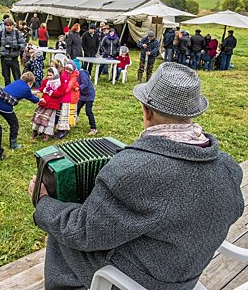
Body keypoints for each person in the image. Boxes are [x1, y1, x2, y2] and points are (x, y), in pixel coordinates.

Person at [28, 62, 243, 289]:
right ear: (192, 113)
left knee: (60, 231)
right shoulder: (229, 168)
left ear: (146, 110)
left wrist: (43, 203)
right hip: (185, 275)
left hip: (141, 280)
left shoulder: (131, 171)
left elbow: (82, 233)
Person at [0, 71, 40, 149]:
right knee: (14, 124)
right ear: (30, 83)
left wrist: (31, 92)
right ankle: (13, 145)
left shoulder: (18, 82)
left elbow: (20, 91)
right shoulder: (26, 89)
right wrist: (40, 100)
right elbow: (34, 100)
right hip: (5, 106)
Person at [31, 67, 65, 141]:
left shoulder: (60, 82)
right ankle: (35, 131)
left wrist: (51, 92)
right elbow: (42, 88)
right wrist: (39, 91)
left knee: (48, 118)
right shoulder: (46, 81)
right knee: (39, 115)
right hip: (44, 101)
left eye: (51, 75)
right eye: (48, 75)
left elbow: (61, 93)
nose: (49, 77)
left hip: (53, 103)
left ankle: (46, 133)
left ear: (55, 75)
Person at [0, 18, 26, 86]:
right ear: (4, 25)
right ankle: (7, 92)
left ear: (13, 25)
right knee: (6, 78)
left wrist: (18, 46)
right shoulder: (1, 33)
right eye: (7, 25)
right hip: (4, 59)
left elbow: (23, 44)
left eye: (10, 25)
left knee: (17, 77)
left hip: (14, 58)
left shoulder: (17, 33)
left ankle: (18, 92)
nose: (9, 27)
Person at [55, 61, 80, 139]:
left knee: (66, 113)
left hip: (71, 97)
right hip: (64, 96)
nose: (68, 71)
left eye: (70, 70)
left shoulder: (73, 77)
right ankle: (59, 127)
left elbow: (68, 87)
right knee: (60, 112)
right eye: (67, 69)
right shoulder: (63, 74)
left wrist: (59, 92)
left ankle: (64, 129)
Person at [77, 66, 97, 135]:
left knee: (88, 110)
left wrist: (78, 88)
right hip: (82, 94)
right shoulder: (74, 74)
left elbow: (85, 83)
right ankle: (74, 119)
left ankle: (93, 128)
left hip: (89, 94)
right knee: (77, 108)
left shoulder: (82, 73)